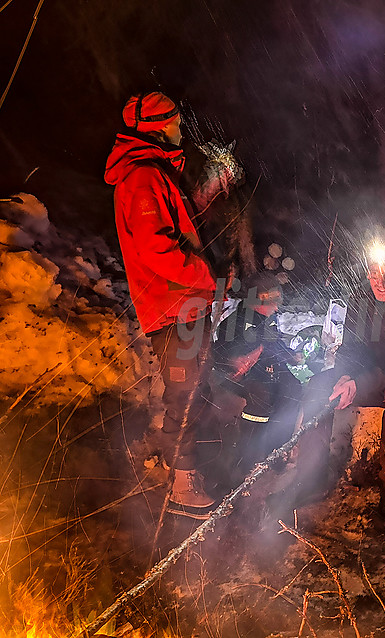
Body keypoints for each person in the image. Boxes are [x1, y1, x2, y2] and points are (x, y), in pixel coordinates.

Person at [273, 242, 385, 531]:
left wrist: (360, 381)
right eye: (373, 274)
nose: (379, 282)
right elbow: (351, 348)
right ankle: (311, 478)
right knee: (319, 384)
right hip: (373, 375)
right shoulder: (361, 298)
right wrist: (344, 376)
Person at [105, 91, 218, 519]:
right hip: (173, 307)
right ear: (157, 127)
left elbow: (180, 228)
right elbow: (157, 249)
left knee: (193, 389)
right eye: (174, 122)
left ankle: (189, 470)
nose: (180, 129)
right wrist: (204, 275)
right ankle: (182, 483)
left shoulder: (157, 174)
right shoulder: (142, 178)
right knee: (184, 393)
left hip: (184, 304)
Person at [211, 273, 302, 478]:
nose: (277, 307)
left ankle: (278, 450)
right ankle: (247, 459)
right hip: (243, 378)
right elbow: (219, 353)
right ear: (260, 298)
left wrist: (291, 355)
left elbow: (273, 343)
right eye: (274, 301)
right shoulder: (235, 322)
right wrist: (233, 362)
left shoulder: (269, 318)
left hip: (268, 371)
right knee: (261, 393)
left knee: (293, 387)